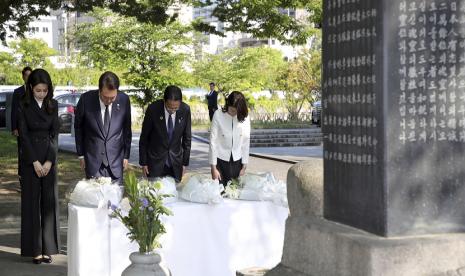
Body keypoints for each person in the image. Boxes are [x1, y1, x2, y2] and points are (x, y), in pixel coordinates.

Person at [18, 68, 60, 264]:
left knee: (49, 203)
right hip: (30, 159)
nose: (42, 94)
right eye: (38, 91)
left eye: (45, 90)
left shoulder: (54, 105)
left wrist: (49, 161)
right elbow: (23, 137)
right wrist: (35, 161)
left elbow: (55, 135)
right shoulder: (23, 106)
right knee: (32, 204)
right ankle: (34, 249)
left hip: (48, 159)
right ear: (31, 88)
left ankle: (48, 248)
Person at [74, 71, 132, 183]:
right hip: (93, 161)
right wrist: (81, 155)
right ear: (99, 90)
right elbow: (78, 128)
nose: (109, 101)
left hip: (116, 161)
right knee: (95, 199)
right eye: (105, 97)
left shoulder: (124, 100)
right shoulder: (86, 100)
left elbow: (127, 129)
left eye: (112, 97)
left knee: (115, 198)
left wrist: (126, 156)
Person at [139, 85, 192, 182]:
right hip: (155, 162)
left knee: (175, 194)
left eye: (175, 108)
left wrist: (185, 163)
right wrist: (143, 162)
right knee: (155, 194)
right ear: (164, 101)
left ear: (180, 102)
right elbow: (144, 138)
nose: (172, 111)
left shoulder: (185, 110)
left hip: (175, 162)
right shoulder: (153, 109)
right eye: (169, 108)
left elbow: (187, 138)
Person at [209, 91, 250, 186]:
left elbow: (245, 141)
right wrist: (213, 168)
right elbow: (213, 141)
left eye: (236, 112)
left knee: (235, 192)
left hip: (237, 160)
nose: (233, 114)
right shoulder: (218, 115)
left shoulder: (245, 117)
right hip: (220, 159)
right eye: (231, 110)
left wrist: (244, 166)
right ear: (228, 104)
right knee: (220, 191)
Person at [11, 66, 33, 175]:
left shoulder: (36, 90)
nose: (28, 78)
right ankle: (21, 175)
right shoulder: (17, 92)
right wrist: (14, 127)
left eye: (30, 75)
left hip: (33, 128)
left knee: (33, 151)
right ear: (23, 77)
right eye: (26, 75)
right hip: (21, 127)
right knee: (22, 152)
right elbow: (14, 110)